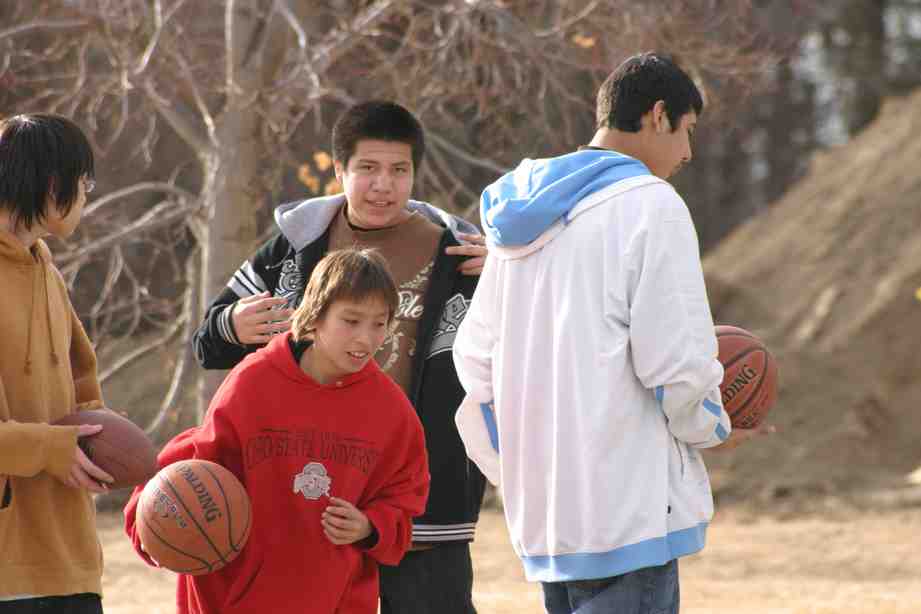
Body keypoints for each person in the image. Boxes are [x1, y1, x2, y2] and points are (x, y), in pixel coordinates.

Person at [452, 52, 772, 614]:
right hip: (629, 516)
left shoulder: (517, 218)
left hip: (549, 519)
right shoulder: (650, 204)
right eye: (687, 132)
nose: (688, 153)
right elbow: (674, 362)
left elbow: (474, 362)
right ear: (657, 115)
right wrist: (713, 427)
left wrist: (521, 472)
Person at [192, 101, 486, 613]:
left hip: (423, 503)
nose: (383, 185)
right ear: (339, 170)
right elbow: (207, 342)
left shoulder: (461, 255)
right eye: (367, 169)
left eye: (399, 171)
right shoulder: (294, 247)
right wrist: (231, 323)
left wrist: (512, 271)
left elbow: (529, 345)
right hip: (313, 504)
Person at [125, 248, 431, 613]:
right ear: (315, 315)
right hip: (236, 599)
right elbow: (190, 470)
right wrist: (153, 524)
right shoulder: (253, 383)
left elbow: (405, 498)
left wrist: (370, 525)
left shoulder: (391, 412)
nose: (365, 339)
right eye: (351, 321)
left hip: (334, 600)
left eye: (379, 324)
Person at [0, 114, 115, 613]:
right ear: (52, 184)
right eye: (83, 183)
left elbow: (81, 380)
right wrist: (49, 448)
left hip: (70, 560)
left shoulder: (46, 268)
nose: (86, 196)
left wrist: (100, 438)